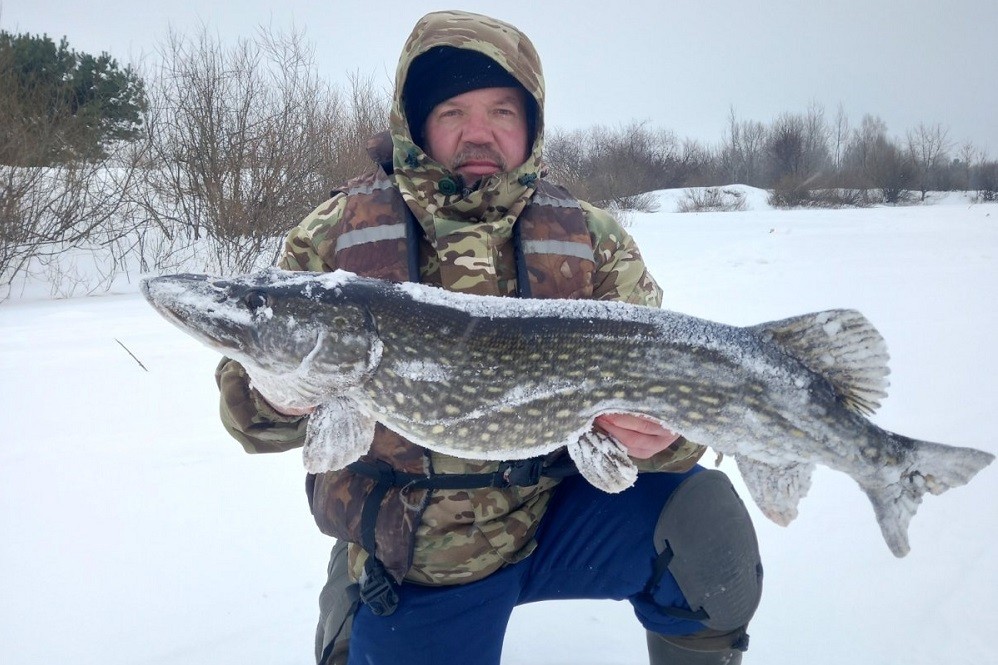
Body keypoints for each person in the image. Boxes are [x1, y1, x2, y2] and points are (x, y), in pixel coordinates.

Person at [215, 10, 762, 665]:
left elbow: (671, 392)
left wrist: (667, 434)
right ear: (416, 123)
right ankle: (353, 596)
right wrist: (281, 394)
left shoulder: (589, 237)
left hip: (553, 513)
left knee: (706, 525)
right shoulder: (336, 236)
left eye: (502, 110)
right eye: (452, 111)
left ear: (530, 124)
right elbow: (246, 414)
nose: (478, 132)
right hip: (416, 549)